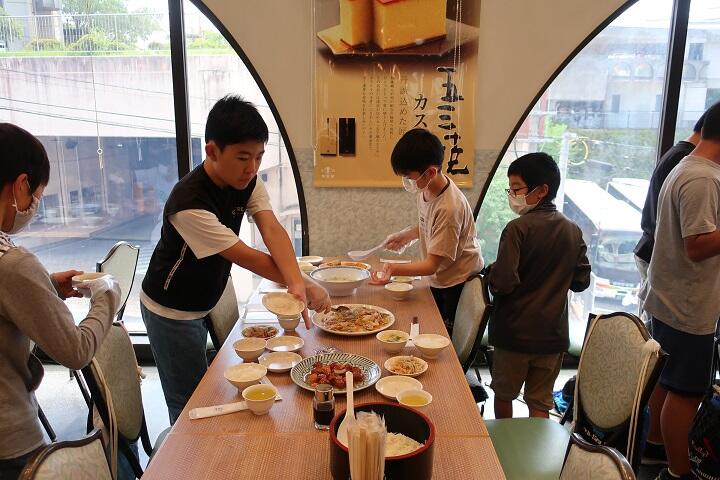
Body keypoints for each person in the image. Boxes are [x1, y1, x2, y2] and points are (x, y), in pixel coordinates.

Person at [140, 95, 331, 424]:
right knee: (188, 402)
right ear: (212, 151)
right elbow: (247, 257)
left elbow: (272, 229)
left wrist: (299, 283)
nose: (252, 167)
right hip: (171, 310)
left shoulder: (246, 180)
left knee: (206, 390)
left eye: (258, 157)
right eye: (243, 157)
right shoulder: (189, 204)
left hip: (204, 300)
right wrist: (302, 283)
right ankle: (188, 453)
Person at [0, 123, 121, 480]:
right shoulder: (13, 263)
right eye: (37, 196)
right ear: (21, 185)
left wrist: (46, 285)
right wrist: (107, 293)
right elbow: (76, 350)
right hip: (9, 437)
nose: (33, 206)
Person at [642, 102, 720, 480]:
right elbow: (697, 245)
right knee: (686, 393)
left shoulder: (686, 165)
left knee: (668, 380)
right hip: (690, 306)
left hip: (670, 298)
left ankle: (654, 448)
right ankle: (678, 472)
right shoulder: (703, 178)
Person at [486, 152, 590, 419]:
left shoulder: (517, 229)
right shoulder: (573, 230)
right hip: (552, 336)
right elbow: (581, 282)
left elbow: (503, 283)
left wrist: (491, 273)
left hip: (514, 334)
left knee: (504, 394)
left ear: (542, 190)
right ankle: (536, 446)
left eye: (517, 189)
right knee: (540, 402)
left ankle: (503, 444)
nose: (512, 195)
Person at [375, 128, 483, 333]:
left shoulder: (450, 207)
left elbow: (432, 265)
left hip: (457, 279)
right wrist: (406, 235)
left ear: (431, 172)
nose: (407, 181)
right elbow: (431, 224)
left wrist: (392, 269)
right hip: (441, 274)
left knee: (442, 334)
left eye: (409, 176)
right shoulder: (426, 188)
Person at [634, 108, 710, 318]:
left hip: (649, 246)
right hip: (656, 252)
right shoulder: (688, 160)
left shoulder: (678, 153)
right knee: (656, 325)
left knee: (653, 323)